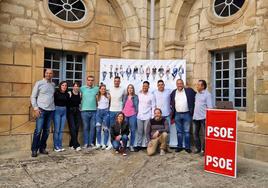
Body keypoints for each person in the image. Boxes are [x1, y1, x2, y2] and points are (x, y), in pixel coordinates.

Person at [30, 69, 55, 157]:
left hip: (50, 111)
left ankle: (42, 148)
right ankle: (34, 150)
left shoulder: (53, 84)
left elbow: (51, 97)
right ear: (44, 74)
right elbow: (33, 96)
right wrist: (36, 108)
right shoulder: (39, 83)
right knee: (38, 131)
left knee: (47, 131)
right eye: (47, 73)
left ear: (52, 74)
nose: (49, 74)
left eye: (50, 73)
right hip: (41, 110)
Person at [170, 79, 196, 153]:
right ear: (176, 85)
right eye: (178, 83)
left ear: (183, 84)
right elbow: (171, 102)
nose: (179, 85)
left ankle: (187, 147)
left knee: (187, 131)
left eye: (181, 83)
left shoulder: (189, 91)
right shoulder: (174, 92)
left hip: (187, 114)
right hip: (177, 114)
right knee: (179, 132)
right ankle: (179, 146)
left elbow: (196, 95)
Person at [193, 80, 213, 155]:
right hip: (195, 117)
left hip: (203, 118)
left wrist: (208, 118)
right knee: (195, 134)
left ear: (203, 86)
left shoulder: (207, 95)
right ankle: (198, 148)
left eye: (198, 85)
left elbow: (210, 107)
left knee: (205, 135)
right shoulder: (197, 94)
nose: (197, 86)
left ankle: (203, 150)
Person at [80, 75, 99, 149]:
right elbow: (75, 92)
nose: (90, 81)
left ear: (93, 81)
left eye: (92, 80)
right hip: (84, 111)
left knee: (92, 128)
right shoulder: (82, 88)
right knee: (85, 128)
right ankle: (85, 143)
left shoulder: (96, 89)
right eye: (89, 80)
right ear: (86, 81)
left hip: (94, 111)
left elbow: (104, 91)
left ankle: (91, 143)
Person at [136, 81, 155, 151]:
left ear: (148, 87)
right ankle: (139, 145)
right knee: (139, 131)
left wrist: (152, 116)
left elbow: (153, 106)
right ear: (142, 86)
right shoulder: (139, 94)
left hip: (148, 116)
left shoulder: (151, 95)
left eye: (146, 86)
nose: (145, 87)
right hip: (139, 116)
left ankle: (148, 146)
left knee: (147, 132)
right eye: (144, 86)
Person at [53, 81, 69, 152]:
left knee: (61, 130)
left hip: (64, 111)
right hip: (57, 110)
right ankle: (56, 146)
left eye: (65, 85)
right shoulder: (56, 93)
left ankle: (60, 145)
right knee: (57, 130)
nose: (64, 87)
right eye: (63, 85)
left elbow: (68, 103)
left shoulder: (67, 94)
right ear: (60, 86)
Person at [122, 84, 139, 152]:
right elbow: (123, 105)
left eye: (131, 88)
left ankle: (131, 145)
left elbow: (137, 106)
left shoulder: (135, 97)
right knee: (124, 131)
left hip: (132, 115)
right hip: (125, 115)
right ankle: (124, 145)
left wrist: (136, 113)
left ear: (133, 89)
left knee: (133, 131)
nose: (130, 89)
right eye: (129, 88)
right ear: (127, 89)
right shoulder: (125, 96)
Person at [67, 82, 82, 151]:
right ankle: (76, 145)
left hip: (77, 112)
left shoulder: (80, 94)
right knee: (72, 127)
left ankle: (71, 144)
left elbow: (80, 103)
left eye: (78, 86)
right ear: (73, 87)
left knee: (76, 128)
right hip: (70, 112)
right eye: (75, 86)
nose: (76, 87)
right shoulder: (69, 93)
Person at [95, 84, 111, 149]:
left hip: (106, 112)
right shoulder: (97, 96)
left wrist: (107, 110)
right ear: (99, 89)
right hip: (99, 112)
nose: (103, 90)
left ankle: (104, 144)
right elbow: (96, 104)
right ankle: (98, 143)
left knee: (106, 129)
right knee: (98, 129)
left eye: (104, 89)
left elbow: (109, 104)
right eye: (102, 89)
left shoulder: (108, 96)